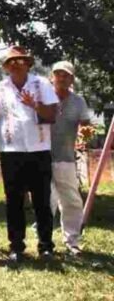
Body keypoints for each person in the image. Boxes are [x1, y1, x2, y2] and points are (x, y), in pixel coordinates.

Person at [0, 46, 59, 262]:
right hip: (11, 151)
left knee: (42, 201)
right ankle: (16, 247)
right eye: (11, 62)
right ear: (6, 67)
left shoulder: (41, 84)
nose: (16, 65)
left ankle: (46, 247)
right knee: (14, 202)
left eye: (20, 61)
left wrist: (34, 105)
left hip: (39, 149)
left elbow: (52, 115)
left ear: (28, 64)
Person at [48, 61, 91, 256]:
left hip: (66, 157)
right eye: (58, 74)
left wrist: (84, 135)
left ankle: (72, 241)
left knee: (71, 200)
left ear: (72, 79)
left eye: (66, 75)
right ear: (52, 77)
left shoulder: (78, 101)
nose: (61, 78)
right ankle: (44, 242)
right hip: (41, 156)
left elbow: (85, 125)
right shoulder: (44, 97)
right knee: (45, 200)